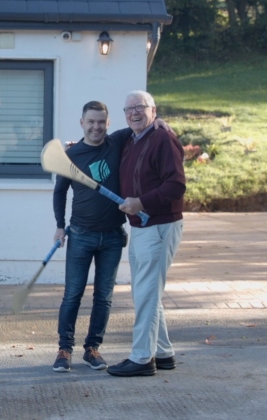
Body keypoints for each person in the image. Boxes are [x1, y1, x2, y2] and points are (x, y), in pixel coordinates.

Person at [51, 101, 170, 373]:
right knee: (73, 295)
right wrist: (60, 226)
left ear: (108, 123)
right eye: (91, 121)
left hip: (113, 237)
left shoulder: (118, 141)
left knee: (103, 297)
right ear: (82, 123)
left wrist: (161, 121)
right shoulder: (72, 154)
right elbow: (60, 192)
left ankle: (92, 349)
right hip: (80, 235)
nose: (96, 127)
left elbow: (145, 124)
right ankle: (64, 350)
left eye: (101, 122)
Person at [106, 90, 186, 377]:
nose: (133, 113)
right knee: (146, 292)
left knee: (146, 294)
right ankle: (163, 353)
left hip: (159, 225)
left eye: (139, 107)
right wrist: (77, 146)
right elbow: (103, 139)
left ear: (153, 110)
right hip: (141, 226)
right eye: (128, 110)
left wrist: (141, 202)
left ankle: (141, 358)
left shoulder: (163, 138)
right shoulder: (131, 138)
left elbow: (176, 185)